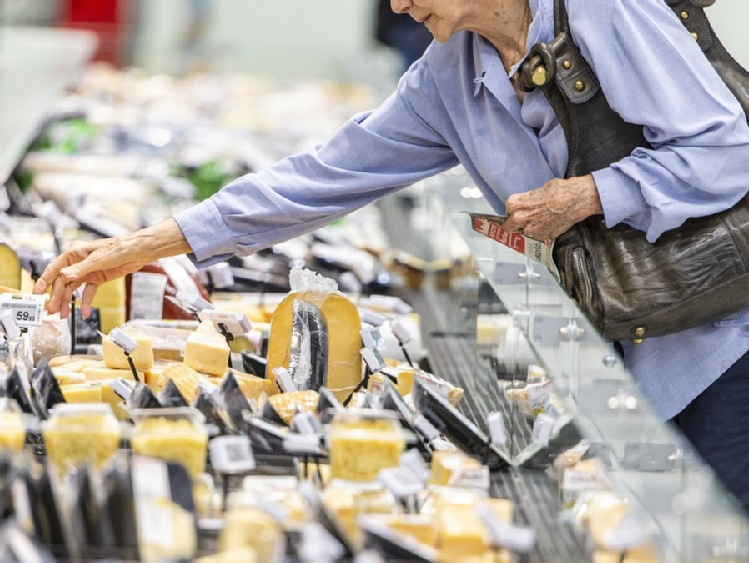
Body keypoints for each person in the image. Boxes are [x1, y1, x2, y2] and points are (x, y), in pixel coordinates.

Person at [35, 0, 749, 510]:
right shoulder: (449, 75)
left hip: (721, 330)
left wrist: (589, 194)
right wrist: (141, 246)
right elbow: (319, 176)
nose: (400, 6)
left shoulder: (604, 10)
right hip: (624, 335)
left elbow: (726, 150)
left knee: (715, 514)